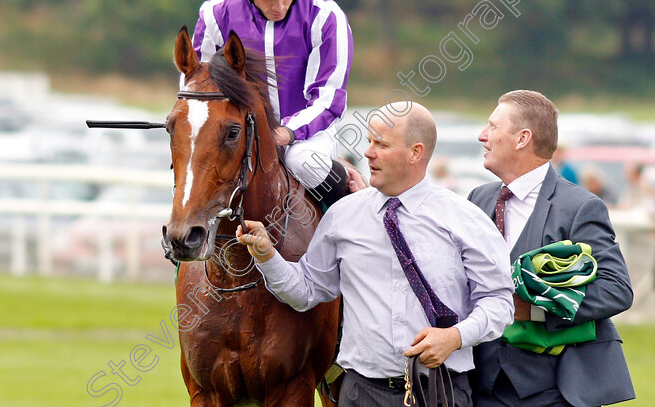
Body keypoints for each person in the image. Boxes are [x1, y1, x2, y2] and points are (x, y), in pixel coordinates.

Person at [237, 102, 514, 406]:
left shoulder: (467, 219)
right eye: (369, 141)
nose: (368, 152)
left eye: (380, 144)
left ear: (415, 153)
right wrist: (266, 256)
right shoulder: (342, 215)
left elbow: (499, 304)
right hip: (360, 394)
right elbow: (306, 291)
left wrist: (456, 337)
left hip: (439, 390)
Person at [468, 90, 635, 406]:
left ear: (522, 139)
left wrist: (534, 310)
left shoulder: (580, 207)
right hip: (481, 384)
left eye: (492, 127)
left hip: (554, 389)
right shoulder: (479, 198)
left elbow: (616, 289)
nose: (482, 136)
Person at [190, 0, 354, 208]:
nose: (278, 6)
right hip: (238, 129)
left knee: (302, 161)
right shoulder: (215, 13)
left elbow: (328, 101)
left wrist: (284, 133)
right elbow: (196, 84)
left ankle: (353, 205)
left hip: (306, 134)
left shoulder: (326, 17)